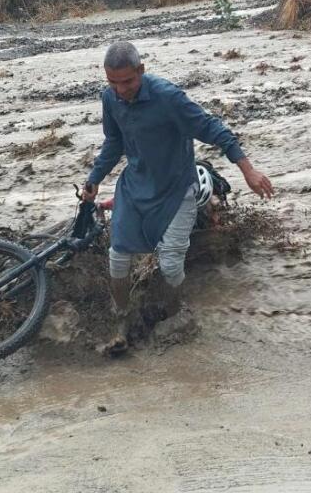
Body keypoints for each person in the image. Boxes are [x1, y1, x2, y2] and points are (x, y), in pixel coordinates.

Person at [82, 41, 274, 353]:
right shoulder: (111, 99)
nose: (121, 90)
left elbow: (214, 129)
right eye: (113, 83)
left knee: (170, 263)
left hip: (176, 190)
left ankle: (172, 314)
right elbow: (113, 143)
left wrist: (248, 171)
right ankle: (122, 321)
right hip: (134, 189)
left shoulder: (167, 97)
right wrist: (93, 179)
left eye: (127, 81)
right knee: (118, 258)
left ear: (141, 71)